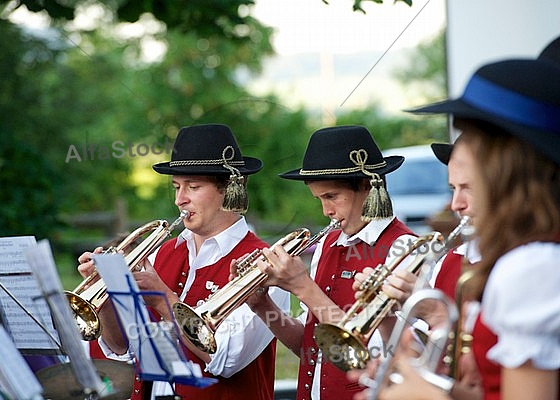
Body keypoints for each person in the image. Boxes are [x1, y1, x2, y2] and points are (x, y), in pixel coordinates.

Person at [371, 57, 560, 400]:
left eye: (470, 136)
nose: (462, 148)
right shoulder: (537, 255)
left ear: (504, 158)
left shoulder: (533, 265)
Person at [77, 124, 289, 400]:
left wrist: (163, 298)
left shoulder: (267, 266)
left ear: (228, 188)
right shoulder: (160, 254)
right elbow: (122, 349)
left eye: (193, 186)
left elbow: (226, 360)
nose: (179, 199)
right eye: (177, 186)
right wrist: (103, 298)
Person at [240, 125, 418, 400]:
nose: (326, 211)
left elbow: (377, 351)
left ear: (367, 186)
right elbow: (308, 344)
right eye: (319, 199)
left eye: (331, 196)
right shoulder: (327, 244)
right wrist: (263, 306)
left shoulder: (404, 247)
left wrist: (303, 287)